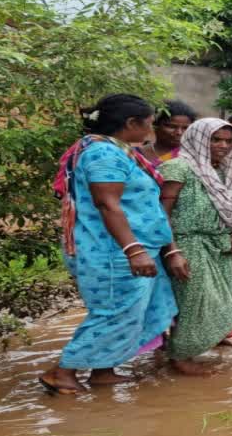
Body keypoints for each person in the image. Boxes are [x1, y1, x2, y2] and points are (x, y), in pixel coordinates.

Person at [39, 94, 190, 394]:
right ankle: (63, 372)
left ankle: (102, 372)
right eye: (148, 124)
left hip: (133, 246)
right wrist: (133, 250)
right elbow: (108, 204)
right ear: (130, 123)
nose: (150, 131)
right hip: (113, 251)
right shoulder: (102, 155)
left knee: (136, 311)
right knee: (115, 311)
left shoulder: (117, 151)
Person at [158, 118, 232, 375]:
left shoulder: (225, 170)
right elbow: (161, 213)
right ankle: (180, 356)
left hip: (219, 245)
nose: (223, 146)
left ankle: (211, 338)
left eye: (228, 141)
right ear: (198, 138)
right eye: (215, 139)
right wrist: (172, 251)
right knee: (193, 301)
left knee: (221, 297)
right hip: (188, 243)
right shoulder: (178, 168)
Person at [139, 100, 196, 166]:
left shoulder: (192, 159)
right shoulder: (136, 154)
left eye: (185, 128)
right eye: (171, 126)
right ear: (155, 126)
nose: (179, 132)